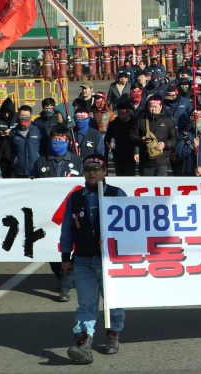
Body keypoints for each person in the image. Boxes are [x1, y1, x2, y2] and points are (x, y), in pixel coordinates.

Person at [62, 155, 127, 363]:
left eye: (96, 168)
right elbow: (67, 230)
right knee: (86, 304)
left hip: (110, 260)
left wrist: (116, 241)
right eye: (88, 168)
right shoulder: (75, 197)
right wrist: (66, 257)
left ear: (105, 171)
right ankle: (83, 341)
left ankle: (112, 333)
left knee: (113, 302)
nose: (92, 172)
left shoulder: (117, 194)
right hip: (83, 260)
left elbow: (130, 225)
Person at [35, 128, 84, 302]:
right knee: (52, 252)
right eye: (54, 139)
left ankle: (65, 286)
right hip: (50, 216)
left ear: (68, 141)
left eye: (61, 139)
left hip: (74, 215)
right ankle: (63, 278)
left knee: (71, 251)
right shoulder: (41, 161)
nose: (57, 142)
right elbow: (32, 185)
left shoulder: (78, 161)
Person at [135, 95, 177, 177]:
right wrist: (141, 140)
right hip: (145, 161)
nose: (153, 109)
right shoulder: (141, 121)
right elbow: (132, 136)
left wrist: (165, 144)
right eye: (151, 106)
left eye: (155, 107)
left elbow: (174, 139)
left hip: (162, 161)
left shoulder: (168, 121)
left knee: (161, 187)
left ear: (161, 107)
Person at [105, 100, 140, 177]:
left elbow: (138, 138)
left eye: (123, 114)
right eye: (119, 114)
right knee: (119, 176)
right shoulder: (114, 124)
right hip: (118, 155)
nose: (120, 116)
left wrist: (137, 152)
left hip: (130, 155)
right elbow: (107, 137)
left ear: (128, 113)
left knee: (129, 176)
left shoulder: (135, 122)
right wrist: (109, 144)